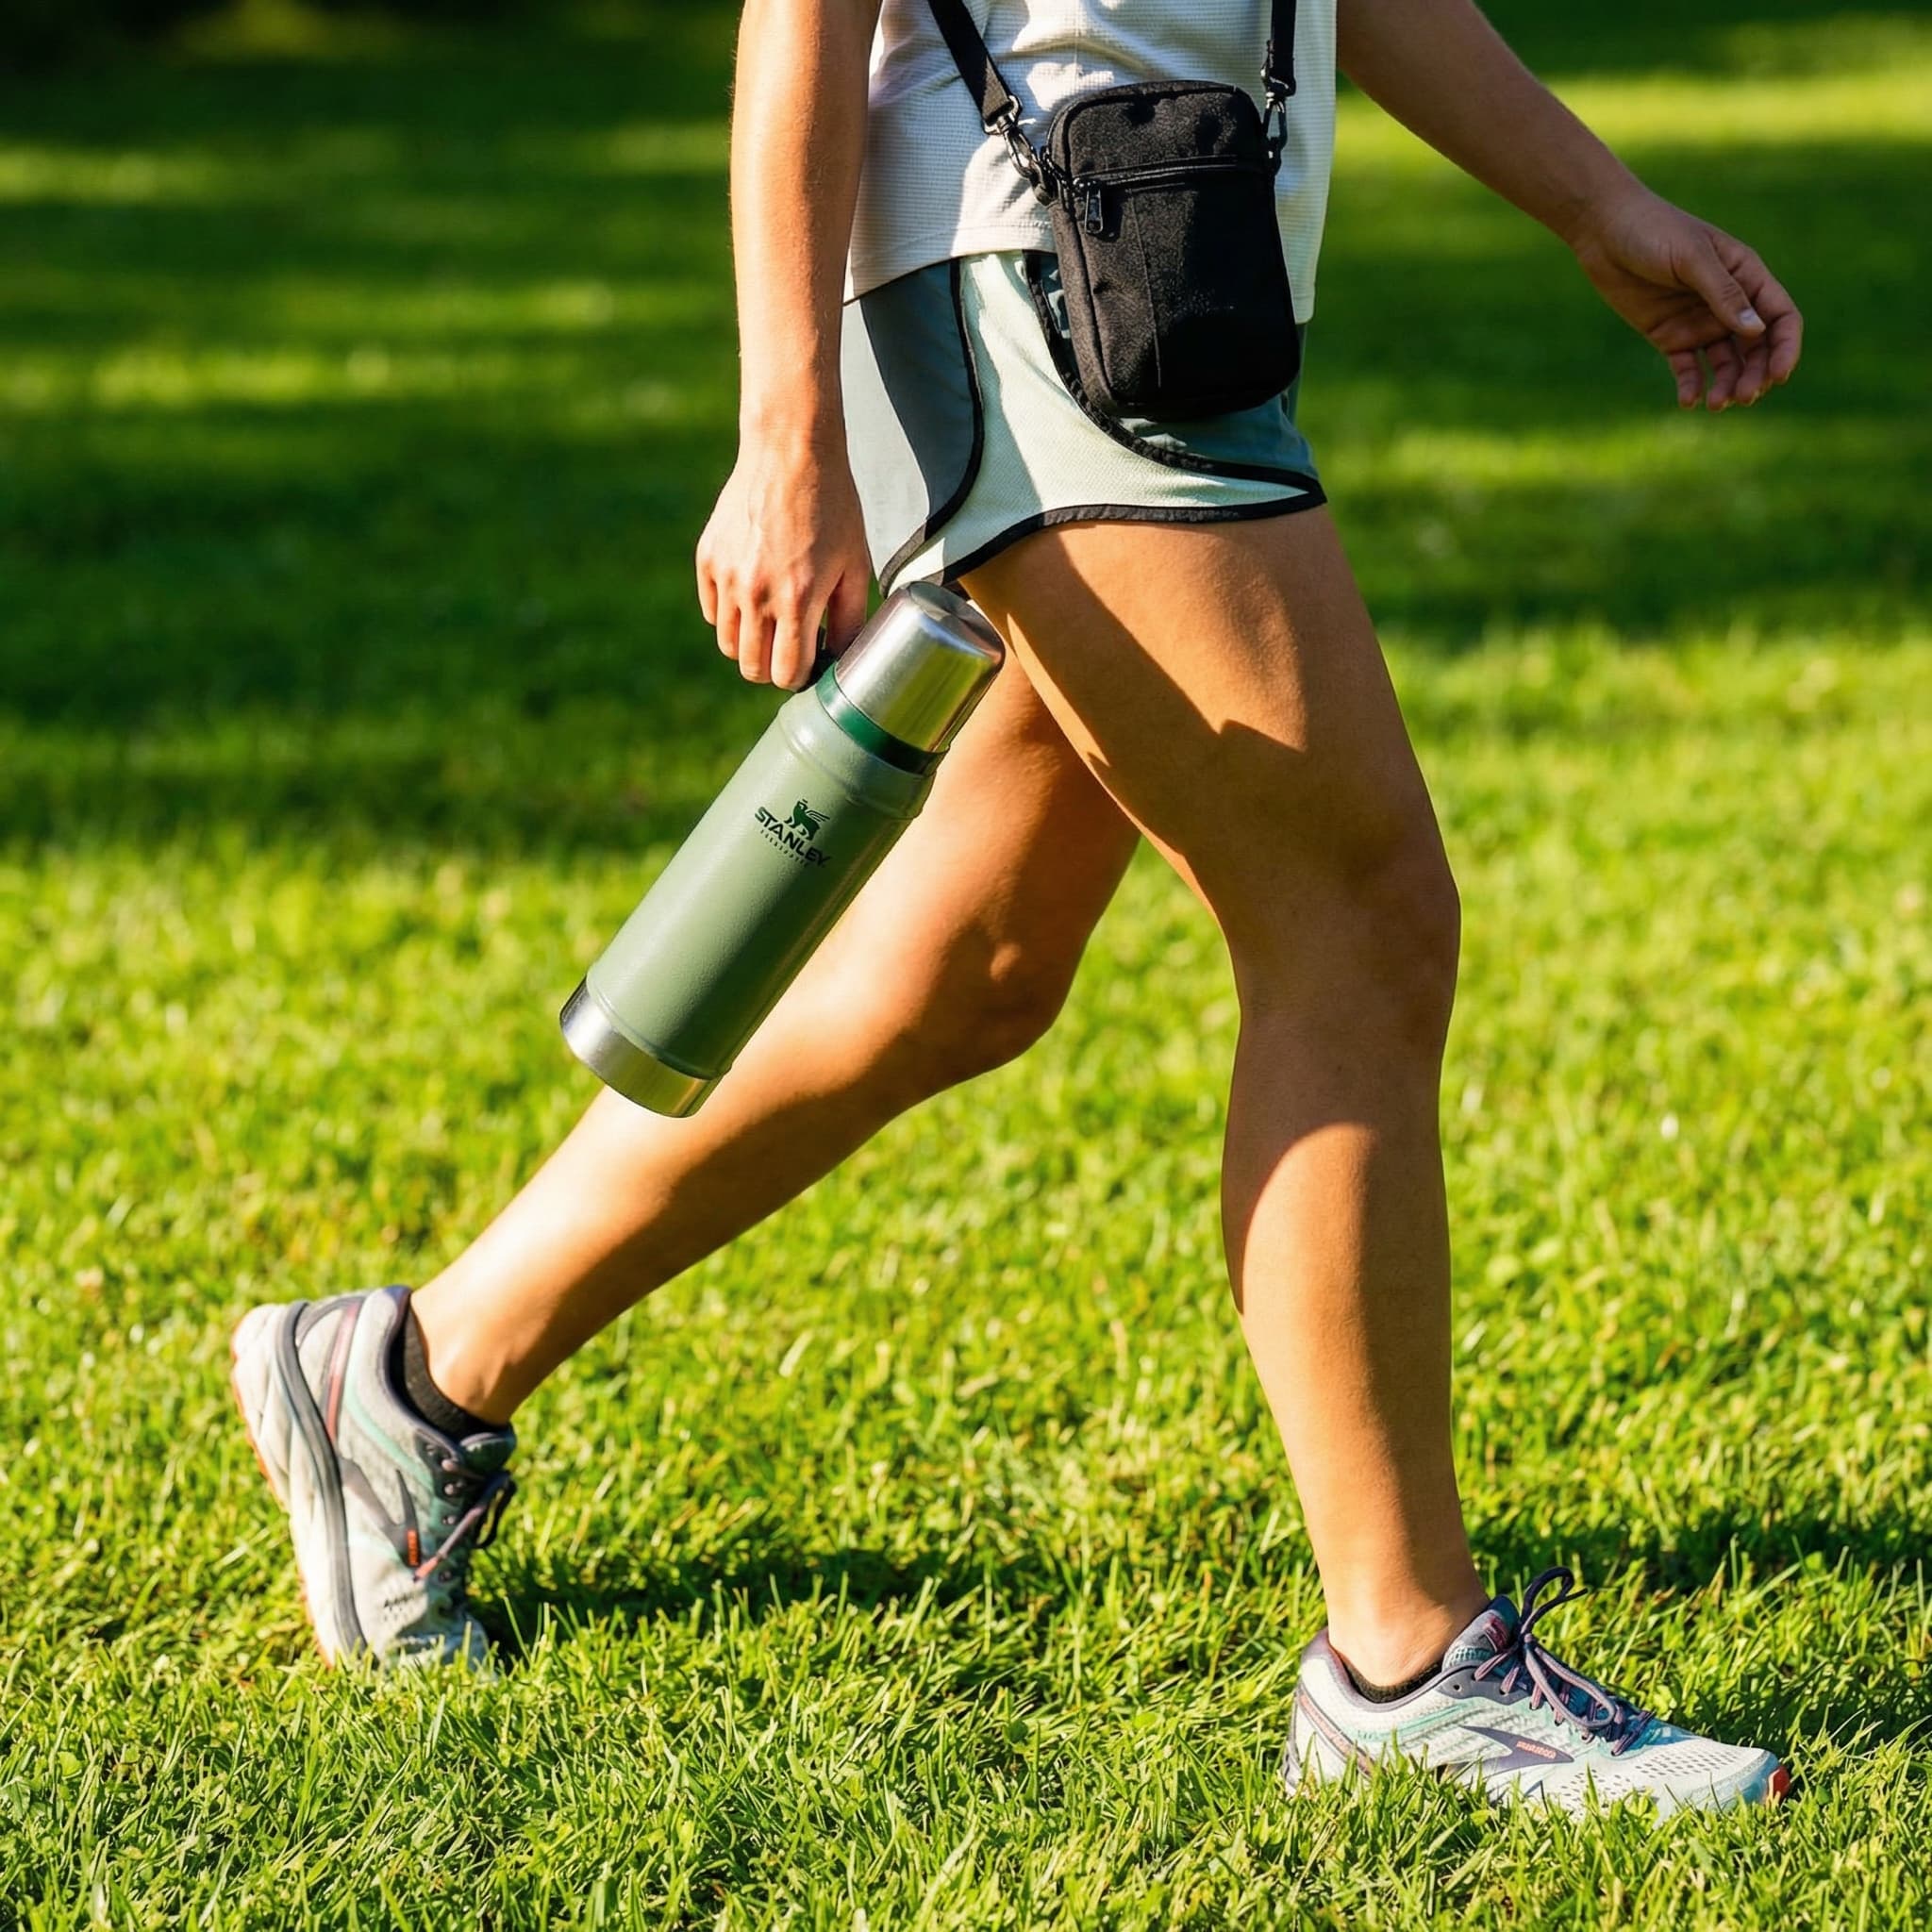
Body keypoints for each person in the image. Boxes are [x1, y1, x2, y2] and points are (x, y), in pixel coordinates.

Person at [230, 0, 1802, 1813]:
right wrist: (782, 426)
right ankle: (1408, 1665)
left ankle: (407, 1381)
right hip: (1031, 260)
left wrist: (1601, 207)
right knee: (1358, 918)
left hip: (1155, 266)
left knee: (966, 965)